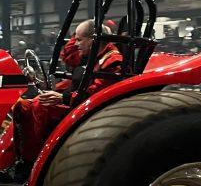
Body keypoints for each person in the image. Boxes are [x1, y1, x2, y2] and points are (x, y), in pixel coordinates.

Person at [10, 20, 122, 168]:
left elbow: (98, 94)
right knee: (22, 106)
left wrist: (63, 97)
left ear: (94, 39)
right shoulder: (91, 53)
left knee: (40, 107)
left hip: (86, 107)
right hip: (77, 100)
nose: (75, 43)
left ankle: (35, 163)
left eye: (79, 40)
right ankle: (23, 160)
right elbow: (68, 55)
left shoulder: (111, 61)